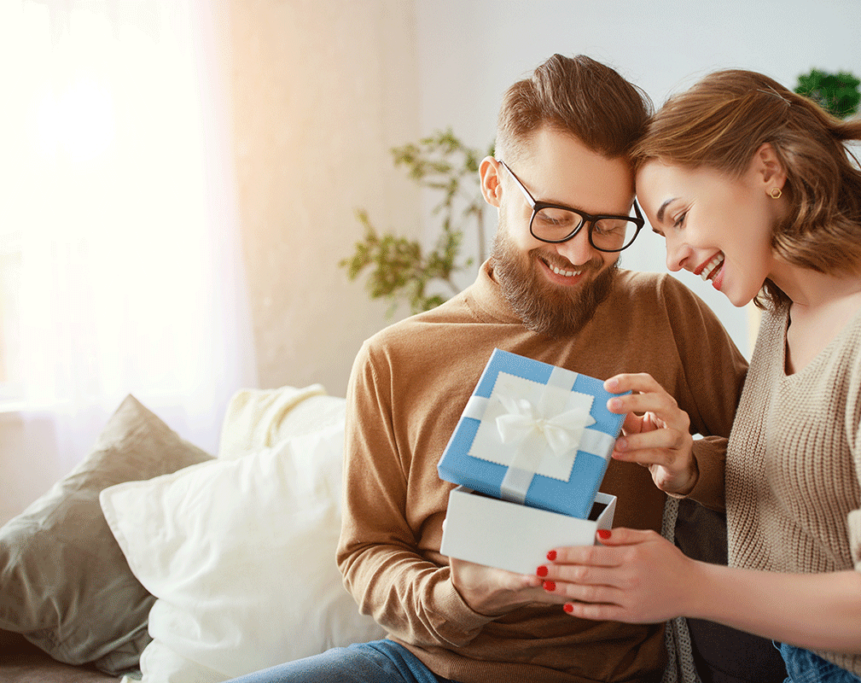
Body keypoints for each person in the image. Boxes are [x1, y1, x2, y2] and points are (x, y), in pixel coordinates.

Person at [224, 55, 752, 683]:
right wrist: (462, 597)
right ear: (496, 185)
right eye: (553, 217)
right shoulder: (394, 361)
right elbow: (367, 555)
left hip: (606, 671)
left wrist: (690, 464)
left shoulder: (663, 311)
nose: (579, 252)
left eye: (608, 226)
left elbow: (789, 470)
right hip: (424, 667)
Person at [540, 68, 861, 683]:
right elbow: (808, 484)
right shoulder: (784, 316)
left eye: (680, 216)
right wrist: (688, 464)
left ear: (768, 170)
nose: (675, 258)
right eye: (661, 234)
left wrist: (689, 585)